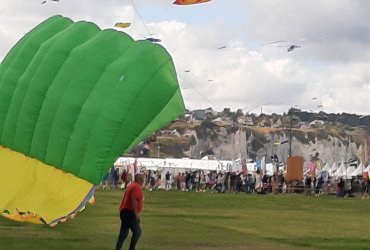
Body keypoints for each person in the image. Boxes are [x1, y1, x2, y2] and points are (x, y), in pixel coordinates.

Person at [115, 173, 144, 250]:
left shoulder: (132, 185)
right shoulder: (136, 187)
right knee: (137, 231)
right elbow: (133, 199)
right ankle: (132, 248)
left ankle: (117, 248)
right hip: (129, 212)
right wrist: (136, 214)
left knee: (123, 234)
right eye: (142, 179)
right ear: (138, 180)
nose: (143, 181)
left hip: (124, 211)